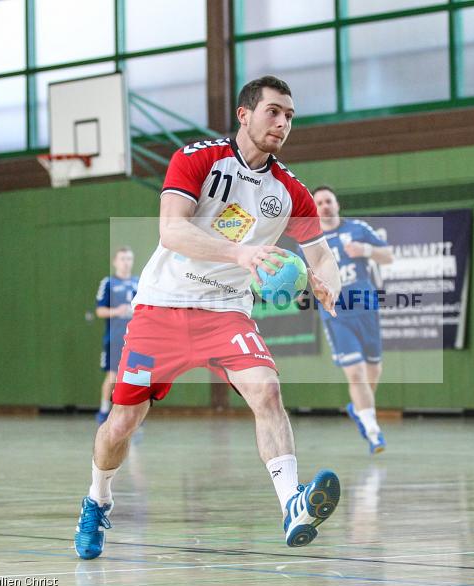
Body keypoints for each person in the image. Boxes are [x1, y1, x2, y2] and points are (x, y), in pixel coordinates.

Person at [74, 76, 343, 559]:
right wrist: (240, 255)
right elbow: (172, 231)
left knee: (267, 390)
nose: (283, 123)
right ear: (245, 114)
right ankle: (97, 499)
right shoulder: (197, 158)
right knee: (123, 421)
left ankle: (292, 505)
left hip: (226, 314)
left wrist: (329, 285)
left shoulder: (290, 191)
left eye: (289, 116)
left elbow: (321, 255)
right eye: (274, 112)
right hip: (163, 306)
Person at [310, 185, 394, 453]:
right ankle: (373, 431)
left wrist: (366, 251)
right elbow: (306, 277)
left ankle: (358, 410)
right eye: (319, 202)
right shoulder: (311, 239)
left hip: (366, 308)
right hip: (338, 313)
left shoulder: (357, 229)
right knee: (356, 372)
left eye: (328, 201)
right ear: (314, 209)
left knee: (373, 369)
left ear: (337, 204)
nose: (324, 205)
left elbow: (389, 256)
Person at [94, 247, 139, 425]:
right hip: (115, 338)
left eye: (129, 259)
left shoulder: (139, 282)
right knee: (113, 376)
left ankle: (134, 414)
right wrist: (117, 311)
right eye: (122, 259)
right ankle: (104, 410)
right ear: (115, 261)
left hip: (135, 339)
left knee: (136, 377)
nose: (126, 262)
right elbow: (100, 311)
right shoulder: (108, 283)